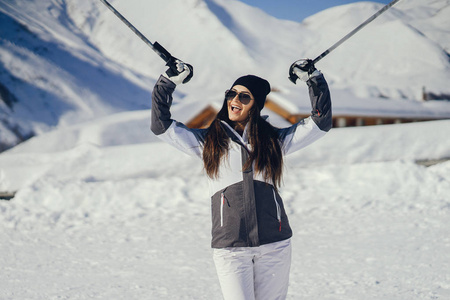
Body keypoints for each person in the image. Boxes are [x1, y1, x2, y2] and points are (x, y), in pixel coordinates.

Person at [151, 59, 332, 300]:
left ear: (256, 105)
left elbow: (320, 123)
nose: (235, 100)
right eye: (231, 94)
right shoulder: (208, 143)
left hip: (274, 246)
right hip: (231, 248)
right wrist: (168, 82)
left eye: (244, 97)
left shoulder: (274, 141)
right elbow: (160, 126)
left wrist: (314, 79)